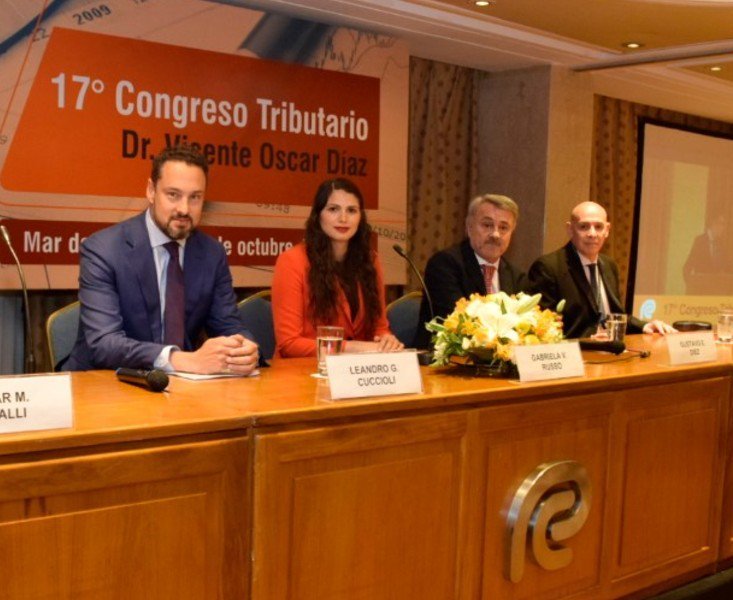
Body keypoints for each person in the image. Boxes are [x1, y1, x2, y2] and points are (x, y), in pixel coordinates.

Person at [65, 145, 260, 374]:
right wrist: (180, 360)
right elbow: (105, 344)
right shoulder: (104, 250)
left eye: (195, 197)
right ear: (150, 191)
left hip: (180, 389)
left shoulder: (211, 253)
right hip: (103, 384)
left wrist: (244, 349)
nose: (184, 209)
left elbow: (229, 325)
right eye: (173, 195)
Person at [272, 178, 403, 357]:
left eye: (352, 210)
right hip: (302, 372)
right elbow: (289, 344)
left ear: (361, 218)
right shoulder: (292, 261)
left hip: (357, 374)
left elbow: (379, 328)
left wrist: (387, 341)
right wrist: (353, 347)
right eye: (333, 209)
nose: (343, 218)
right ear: (318, 215)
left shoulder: (370, 261)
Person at [529, 201, 675, 339]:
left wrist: (645, 325)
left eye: (598, 227)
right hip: (578, 357)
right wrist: (589, 340)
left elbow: (615, 316)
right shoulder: (548, 267)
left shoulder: (609, 264)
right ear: (570, 229)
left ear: (607, 230)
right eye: (584, 226)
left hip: (611, 352)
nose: (592, 234)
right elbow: (544, 330)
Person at [414, 194, 528, 348]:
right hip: (447, 362)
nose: (495, 234)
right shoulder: (444, 265)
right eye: (487, 225)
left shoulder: (516, 276)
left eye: (503, 228)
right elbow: (458, 323)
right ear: (469, 227)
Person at [683, 213, 732, 294]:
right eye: (722, 224)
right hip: (701, 291)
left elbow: (726, 266)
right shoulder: (700, 241)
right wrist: (692, 286)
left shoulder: (720, 244)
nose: (723, 228)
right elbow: (687, 267)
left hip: (715, 291)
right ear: (713, 224)